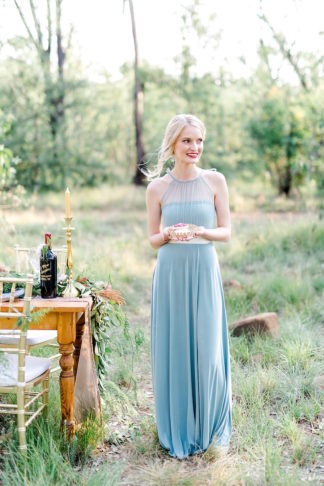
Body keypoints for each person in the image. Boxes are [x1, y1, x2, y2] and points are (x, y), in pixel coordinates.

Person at [146, 114, 232, 459]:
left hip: (204, 266)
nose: (194, 147)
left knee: (208, 349)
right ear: (172, 145)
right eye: (187, 141)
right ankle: (178, 424)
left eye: (199, 140)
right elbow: (153, 239)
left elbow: (226, 231)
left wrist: (200, 231)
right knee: (176, 346)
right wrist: (167, 234)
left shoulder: (215, 181)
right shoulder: (157, 188)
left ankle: (209, 426)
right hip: (170, 272)